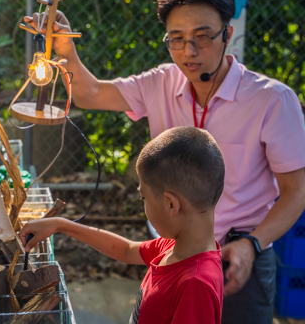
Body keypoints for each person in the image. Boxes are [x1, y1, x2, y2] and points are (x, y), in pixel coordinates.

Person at [24, 0, 305, 324]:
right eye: (176, 39)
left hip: (238, 258)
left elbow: (295, 194)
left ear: (228, 33)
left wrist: (252, 245)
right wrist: (65, 51)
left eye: (203, 37)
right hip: (173, 249)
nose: (189, 52)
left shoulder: (272, 99)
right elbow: (89, 94)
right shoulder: (161, 82)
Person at [20, 126, 225, 324]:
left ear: (171, 204)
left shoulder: (196, 285)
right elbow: (126, 250)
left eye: (143, 197)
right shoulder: (174, 247)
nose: (142, 203)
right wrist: (60, 225)